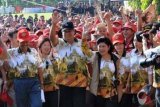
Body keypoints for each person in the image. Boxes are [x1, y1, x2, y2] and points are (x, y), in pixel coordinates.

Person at [50, 11, 90, 107]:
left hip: (80, 82)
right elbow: (51, 38)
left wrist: (85, 38)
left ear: (74, 32)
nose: (67, 33)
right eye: (65, 31)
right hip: (64, 82)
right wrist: (54, 24)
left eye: (69, 31)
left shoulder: (81, 43)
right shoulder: (59, 43)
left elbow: (88, 57)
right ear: (62, 32)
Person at [5, 28, 44, 107]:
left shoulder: (34, 51)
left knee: (37, 104)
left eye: (26, 41)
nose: (24, 44)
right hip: (19, 82)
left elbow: (39, 67)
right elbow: (2, 55)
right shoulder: (11, 52)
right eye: (22, 41)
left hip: (34, 81)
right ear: (18, 41)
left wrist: (42, 83)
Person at [37, 35, 59, 107]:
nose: (47, 47)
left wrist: (53, 59)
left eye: (48, 45)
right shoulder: (36, 60)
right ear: (40, 47)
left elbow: (58, 72)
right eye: (44, 45)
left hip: (53, 90)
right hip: (41, 91)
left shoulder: (54, 59)